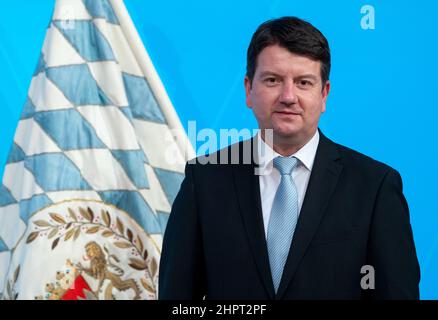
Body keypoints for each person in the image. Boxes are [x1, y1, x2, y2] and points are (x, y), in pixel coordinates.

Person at [158, 16, 420, 299]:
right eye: (273, 80)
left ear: (324, 95)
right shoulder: (205, 179)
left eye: (304, 83)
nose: (288, 96)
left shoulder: (375, 187)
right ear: (248, 89)